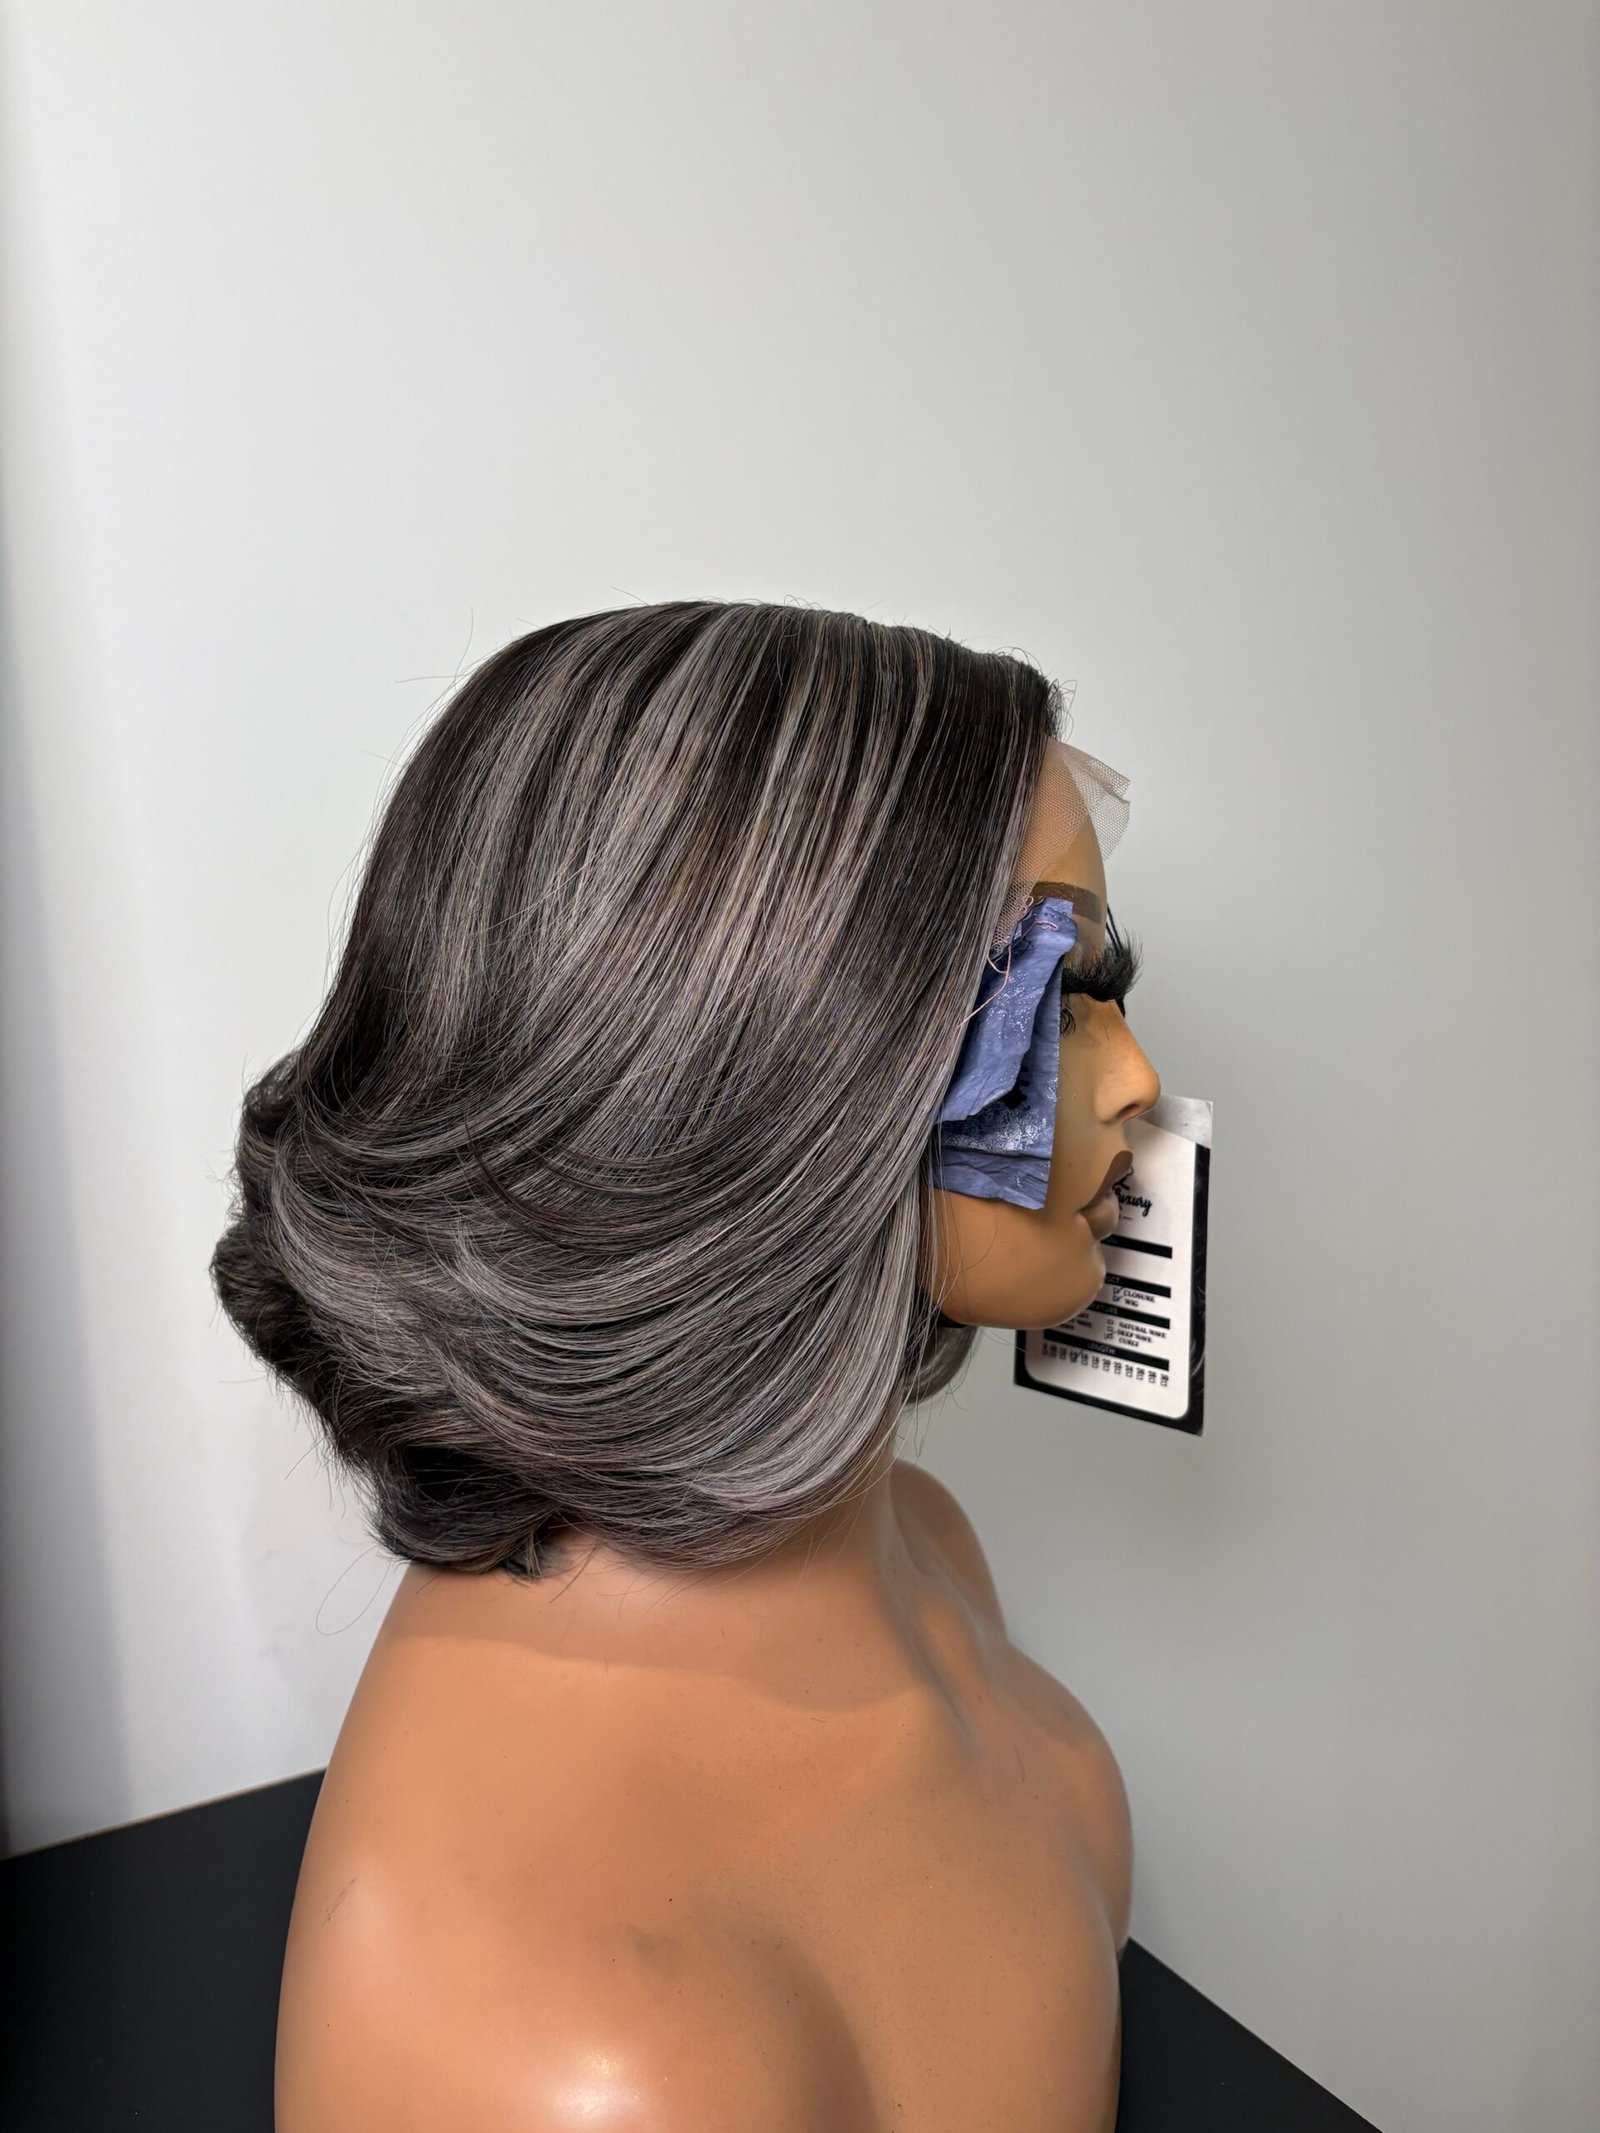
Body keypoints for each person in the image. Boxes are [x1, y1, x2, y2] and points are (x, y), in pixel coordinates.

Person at [213, 599, 1162, 2131]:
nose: (1139, 1080)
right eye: (1051, 995)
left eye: (1109, 990)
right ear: (765, 1069)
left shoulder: (930, 1553)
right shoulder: (587, 2061)